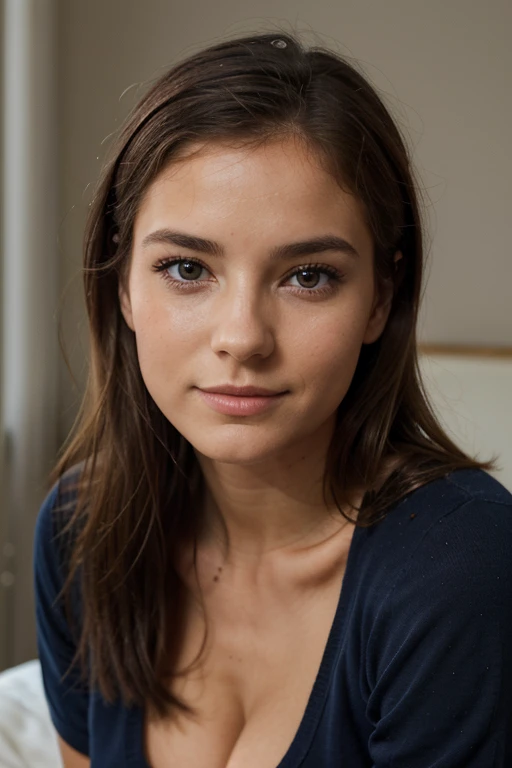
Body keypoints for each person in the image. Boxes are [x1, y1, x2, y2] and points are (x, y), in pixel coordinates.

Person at [33, 31, 512, 768]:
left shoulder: (464, 569)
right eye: (187, 267)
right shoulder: (81, 533)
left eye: (309, 276)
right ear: (122, 284)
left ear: (381, 299)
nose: (243, 337)